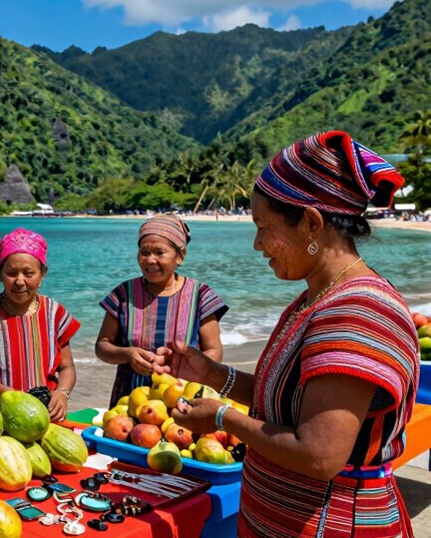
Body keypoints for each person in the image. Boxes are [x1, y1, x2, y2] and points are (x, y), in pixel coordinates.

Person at [155, 131, 417, 537]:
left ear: (312, 223)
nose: (257, 244)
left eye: (263, 227)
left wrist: (224, 418)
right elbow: (293, 403)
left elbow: (318, 455)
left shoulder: (356, 311)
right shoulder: (316, 298)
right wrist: (211, 374)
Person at [95, 215, 227, 407]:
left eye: (159, 252)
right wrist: (127, 354)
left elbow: (214, 350)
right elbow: (102, 346)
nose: (150, 260)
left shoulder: (200, 296)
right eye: (144, 252)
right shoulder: (124, 294)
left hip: (184, 399)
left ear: (180, 256)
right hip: (130, 401)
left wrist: (187, 367)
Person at [0, 228, 81, 422]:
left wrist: (62, 393)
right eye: (11, 273)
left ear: (42, 274)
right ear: (0, 274)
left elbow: (67, 367)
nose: (20, 281)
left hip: (46, 416)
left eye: (29, 273)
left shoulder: (54, 313)